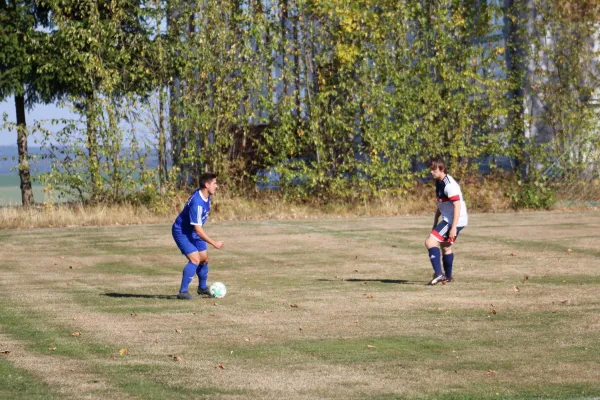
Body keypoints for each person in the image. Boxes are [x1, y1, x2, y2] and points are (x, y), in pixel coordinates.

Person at [172, 173, 224, 300]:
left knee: (204, 259)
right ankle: (183, 292)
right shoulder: (197, 203)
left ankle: (202, 288)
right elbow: (199, 231)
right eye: (214, 183)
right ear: (206, 185)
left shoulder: (206, 195)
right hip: (182, 232)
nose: (216, 186)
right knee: (195, 259)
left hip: (193, 231)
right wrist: (214, 243)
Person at [425, 159, 468, 285]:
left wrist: (453, 227)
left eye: (434, 169)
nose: (431, 172)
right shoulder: (439, 182)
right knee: (445, 246)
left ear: (442, 169)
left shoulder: (449, 185)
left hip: (455, 219)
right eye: (431, 169)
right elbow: (441, 203)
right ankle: (448, 277)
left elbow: (457, 206)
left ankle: (439, 274)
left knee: (430, 241)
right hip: (451, 218)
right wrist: (435, 220)